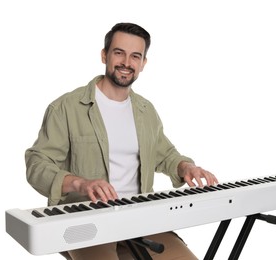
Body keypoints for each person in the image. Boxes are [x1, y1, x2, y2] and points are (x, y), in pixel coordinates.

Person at [25, 22, 218, 260]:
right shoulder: (65, 107)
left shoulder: (146, 111)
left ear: (143, 63)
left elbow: (166, 154)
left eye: (135, 56)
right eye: (119, 53)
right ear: (104, 55)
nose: (127, 62)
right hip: (86, 220)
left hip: (142, 218)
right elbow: (37, 164)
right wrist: (80, 184)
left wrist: (185, 167)